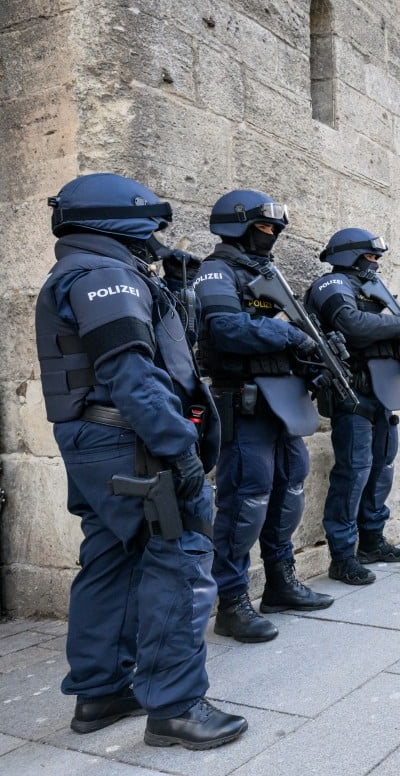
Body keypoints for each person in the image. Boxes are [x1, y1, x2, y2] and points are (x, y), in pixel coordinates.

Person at [36, 173, 246, 749]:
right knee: (179, 557)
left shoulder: (82, 269)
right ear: (120, 219)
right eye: (150, 223)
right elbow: (132, 375)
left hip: (96, 443)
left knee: (108, 558)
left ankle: (99, 693)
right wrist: (179, 451)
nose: (156, 234)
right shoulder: (106, 275)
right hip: (133, 441)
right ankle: (176, 709)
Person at [194, 190, 333, 644]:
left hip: (284, 401)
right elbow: (226, 329)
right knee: (244, 499)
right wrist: (289, 335)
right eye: (264, 228)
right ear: (238, 225)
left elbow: (294, 331)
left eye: (275, 230)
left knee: (291, 487)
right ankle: (232, 603)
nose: (270, 237)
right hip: (244, 398)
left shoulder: (266, 273)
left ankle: (280, 582)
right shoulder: (215, 270)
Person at [306, 228, 400, 585]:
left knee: (381, 468)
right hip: (353, 393)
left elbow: (391, 344)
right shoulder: (331, 286)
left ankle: (372, 540)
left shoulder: (374, 291)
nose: (375, 265)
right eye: (370, 257)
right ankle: (342, 556)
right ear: (351, 255)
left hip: (383, 395)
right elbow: (354, 327)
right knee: (353, 473)